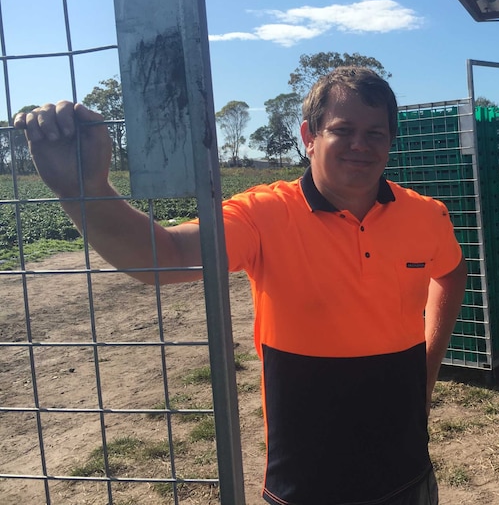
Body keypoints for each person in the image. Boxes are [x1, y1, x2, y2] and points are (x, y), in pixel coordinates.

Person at [14, 66, 468, 505]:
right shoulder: (263, 214)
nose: (360, 145)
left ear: (390, 141)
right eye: (342, 129)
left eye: (375, 133)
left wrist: (427, 368)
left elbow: (449, 271)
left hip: (408, 471)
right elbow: (164, 258)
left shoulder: (425, 215)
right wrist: (84, 190)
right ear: (309, 137)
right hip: (309, 482)